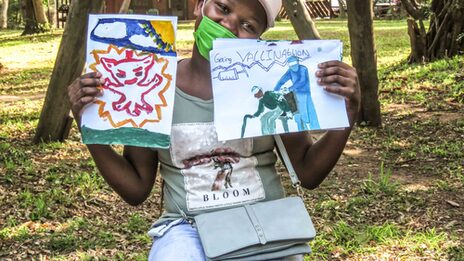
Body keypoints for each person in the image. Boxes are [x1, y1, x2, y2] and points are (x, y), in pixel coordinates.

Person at [67, 0, 361, 260]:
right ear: (199, 6)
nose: (229, 25)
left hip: (266, 228)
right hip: (187, 229)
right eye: (222, 8)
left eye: (247, 25)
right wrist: (90, 127)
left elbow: (308, 172)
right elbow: (136, 188)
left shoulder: (268, 81)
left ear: (259, 38)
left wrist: (348, 113)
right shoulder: (156, 87)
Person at [274, 55, 320, 131]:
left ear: (298, 62)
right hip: (296, 94)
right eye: (290, 64)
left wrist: (289, 88)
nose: (293, 66)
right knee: (299, 116)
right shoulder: (290, 71)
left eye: (294, 63)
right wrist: (276, 89)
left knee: (309, 114)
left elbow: (302, 81)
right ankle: (302, 132)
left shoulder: (303, 69)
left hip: (305, 93)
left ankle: (316, 130)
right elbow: (282, 80)